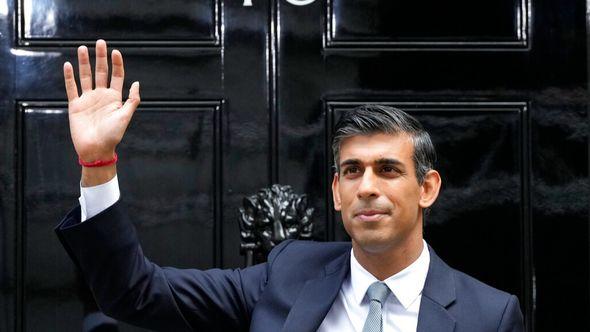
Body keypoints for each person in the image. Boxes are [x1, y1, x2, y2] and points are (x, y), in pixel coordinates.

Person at [56, 40, 524, 332]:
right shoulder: (288, 274)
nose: (366, 187)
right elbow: (134, 292)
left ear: (427, 188)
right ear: (336, 191)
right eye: (351, 171)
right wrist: (97, 164)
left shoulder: (490, 316)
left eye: (388, 169)